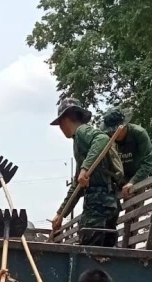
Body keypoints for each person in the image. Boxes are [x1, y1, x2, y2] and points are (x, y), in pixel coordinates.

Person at [50, 97, 123, 248]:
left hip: (97, 204)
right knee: (105, 253)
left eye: (60, 124)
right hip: (109, 203)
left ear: (64, 120)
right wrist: (61, 213)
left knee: (88, 253)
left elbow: (102, 139)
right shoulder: (81, 144)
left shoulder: (82, 132)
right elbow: (78, 184)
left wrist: (85, 168)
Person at [101, 108, 152, 200]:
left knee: (134, 208)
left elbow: (148, 163)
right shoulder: (107, 139)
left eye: (114, 131)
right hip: (118, 180)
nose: (112, 134)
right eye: (110, 131)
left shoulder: (139, 134)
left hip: (138, 177)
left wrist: (133, 182)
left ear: (124, 126)